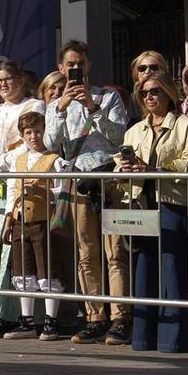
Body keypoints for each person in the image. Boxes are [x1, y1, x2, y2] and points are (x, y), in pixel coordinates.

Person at [116, 73, 188, 352]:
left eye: (155, 91)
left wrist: (156, 169)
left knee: (173, 270)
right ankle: (143, 338)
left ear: (168, 93)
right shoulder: (134, 131)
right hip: (141, 203)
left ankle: (173, 340)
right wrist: (126, 170)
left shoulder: (183, 124)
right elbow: (118, 170)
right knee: (143, 270)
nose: (149, 97)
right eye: (144, 93)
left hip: (172, 204)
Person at [54, 41, 130, 343]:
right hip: (79, 183)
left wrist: (92, 107)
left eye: (80, 64)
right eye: (70, 64)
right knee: (87, 254)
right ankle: (94, 316)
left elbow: (118, 137)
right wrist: (60, 109)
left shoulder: (108, 97)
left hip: (109, 180)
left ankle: (120, 317)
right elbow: (50, 142)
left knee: (116, 253)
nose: (75, 69)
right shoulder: (56, 104)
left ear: (88, 66)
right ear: (61, 68)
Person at [0, 106, 68, 340]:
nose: (33, 136)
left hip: (44, 221)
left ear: (44, 131)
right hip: (22, 221)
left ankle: (51, 321)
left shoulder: (54, 160)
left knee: (47, 271)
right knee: (23, 272)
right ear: (22, 135)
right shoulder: (18, 160)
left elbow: (61, 191)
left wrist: (42, 187)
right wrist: (9, 219)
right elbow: (12, 190)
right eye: (29, 132)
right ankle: (27, 321)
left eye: (37, 131)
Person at [0, 61, 38, 329]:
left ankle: (10, 312)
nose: (3, 84)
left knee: (13, 246)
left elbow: (29, 143)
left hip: (16, 179)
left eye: (9, 78)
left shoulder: (32, 106)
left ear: (21, 79)